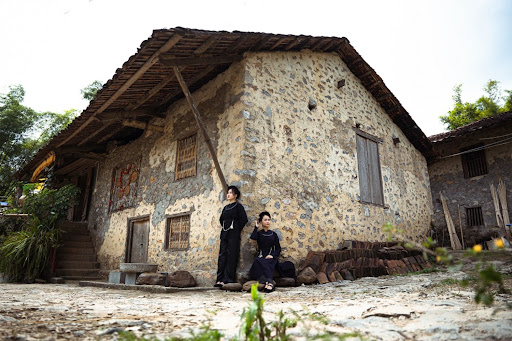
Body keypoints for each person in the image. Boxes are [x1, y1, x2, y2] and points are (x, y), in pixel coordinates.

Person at [215, 185, 248, 287]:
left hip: (234, 234)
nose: (228, 194)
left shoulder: (238, 206)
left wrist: (236, 229)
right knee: (222, 255)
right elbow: (221, 220)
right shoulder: (225, 208)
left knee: (232, 255)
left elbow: (244, 219)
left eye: (230, 193)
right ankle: (220, 279)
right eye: (228, 193)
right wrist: (226, 227)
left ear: (235, 195)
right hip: (224, 233)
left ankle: (228, 279)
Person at [249, 211, 281, 292]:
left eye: (269, 220)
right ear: (261, 221)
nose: (267, 221)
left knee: (267, 261)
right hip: (261, 256)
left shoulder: (273, 234)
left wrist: (272, 255)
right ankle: (268, 282)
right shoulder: (259, 233)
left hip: (271, 257)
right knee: (257, 261)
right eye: (265, 220)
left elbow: (278, 248)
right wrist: (256, 227)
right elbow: (253, 237)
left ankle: (269, 283)